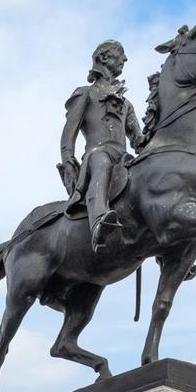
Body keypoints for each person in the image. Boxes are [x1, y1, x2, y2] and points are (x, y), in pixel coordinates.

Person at [59, 39, 142, 249]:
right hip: (98, 154)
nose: (125, 59)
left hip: (124, 159)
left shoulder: (126, 104)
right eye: (119, 54)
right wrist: (68, 161)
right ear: (104, 58)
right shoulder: (85, 93)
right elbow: (69, 133)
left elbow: (139, 141)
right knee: (101, 161)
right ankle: (98, 224)